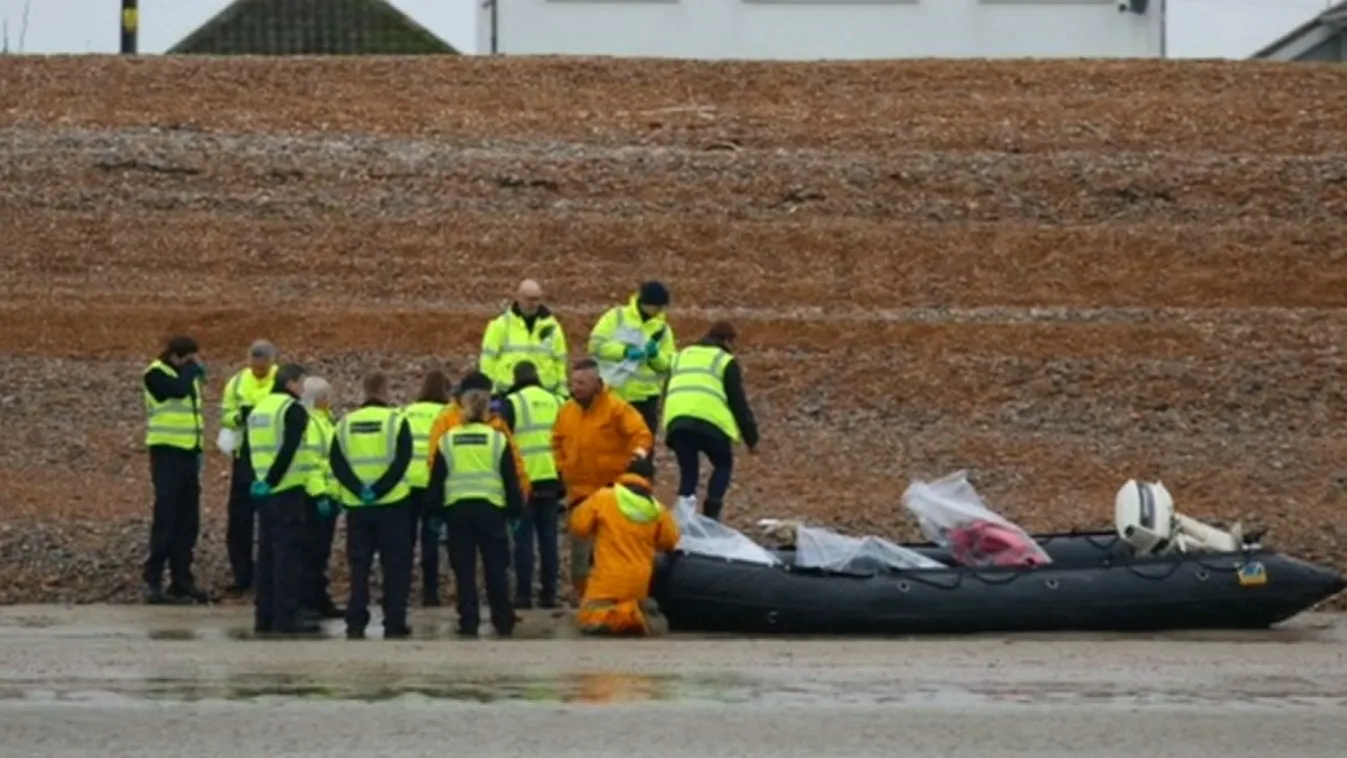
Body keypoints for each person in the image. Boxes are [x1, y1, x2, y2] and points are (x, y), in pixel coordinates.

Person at [428, 387, 527, 638]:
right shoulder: (497, 440)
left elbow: (437, 480)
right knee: (496, 568)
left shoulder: (447, 440)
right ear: (486, 411)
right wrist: (515, 512)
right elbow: (510, 479)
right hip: (491, 509)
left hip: (457, 510)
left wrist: (434, 513)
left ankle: (468, 620)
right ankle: (502, 619)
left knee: (464, 569)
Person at [552, 358, 653, 603]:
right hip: (579, 494)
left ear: (597, 383)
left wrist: (637, 459)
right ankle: (583, 596)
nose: (576, 388)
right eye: (574, 382)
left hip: (611, 492)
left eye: (582, 383)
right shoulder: (567, 411)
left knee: (611, 549)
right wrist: (562, 467)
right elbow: (556, 441)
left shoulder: (617, 408)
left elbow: (641, 434)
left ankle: (617, 595)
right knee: (580, 551)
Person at [330, 372, 416, 640]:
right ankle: (394, 620)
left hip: (358, 506)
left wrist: (359, 488)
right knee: (395, 566)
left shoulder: (345, 423)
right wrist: (380, 489)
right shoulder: (396, 421)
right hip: (393, 504)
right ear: (385, 390)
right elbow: (402, 460)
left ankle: (356, 620)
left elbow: (337, 463)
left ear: (364, 390)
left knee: (359, 566)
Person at [245, 363, 319, 636]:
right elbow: (288, 448)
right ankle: (286, 617)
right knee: (288, 556)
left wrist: (259, 481)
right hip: (287, 490)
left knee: (266, 554)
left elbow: (251, 449)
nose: (303, 390)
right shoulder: (292, 409)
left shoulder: (259, 409)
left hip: (264, 493)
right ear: (290, 383)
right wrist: (273, 480)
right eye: (301, 384)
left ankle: (264, 616)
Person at [569, 457, 679, 636]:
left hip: (608, 579)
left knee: (588, 617)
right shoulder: (657, 509)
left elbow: (578, 525)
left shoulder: (604, 497)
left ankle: (632, 615)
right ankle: (637, 610)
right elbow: (671, 541)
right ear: (649, 480)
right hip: (640, 582)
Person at [662, 321, 760, 522]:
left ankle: (684, 520)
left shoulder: (681, 356)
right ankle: (711, 514)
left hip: (678, 421)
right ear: (727, 342)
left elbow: (667, 391)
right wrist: (752, 439)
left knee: (688, 473)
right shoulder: (724, 360)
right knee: (723, 464)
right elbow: (738, 402)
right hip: (710, 423)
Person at [141, 335, 209, 604]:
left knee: (188, 519)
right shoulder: (155, 374)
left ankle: (181, 579)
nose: (194, 363)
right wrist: (191, 372)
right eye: (189, 359)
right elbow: (176, 391)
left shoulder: (185, 376)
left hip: (189, 452)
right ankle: (153, 579)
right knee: (166, 517)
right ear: (175, 356)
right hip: (166, 453)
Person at [499, 361, 563, 609]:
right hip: (551, 477)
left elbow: (503, 441)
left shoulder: (512, 403)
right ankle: (549, 594)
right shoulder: (556, 401)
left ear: (515, 378)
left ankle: (523, 595)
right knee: (549, 541)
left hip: (523, 480)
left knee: (523, 541)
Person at [219, 339, 279, 595]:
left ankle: (271, 575)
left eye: (262, 362)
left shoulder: (280, 380)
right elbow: (226, 415)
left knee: (272, 519)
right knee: (240, 520)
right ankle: (242, 575)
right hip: (245, 457)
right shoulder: (237, 383)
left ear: (271, 360)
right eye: (254, 361)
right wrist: (239, 417)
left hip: (274, 459)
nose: (258, 367)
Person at [425, 371, 531, 502]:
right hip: (489, 502)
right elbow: (514, 465)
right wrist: (521, 495)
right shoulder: (495, 424)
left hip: (457, 502)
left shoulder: (446, 421)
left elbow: (433, 463)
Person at [587, 281, 676, 436]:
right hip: (615, 395)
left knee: (643, 445)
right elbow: (596, 346)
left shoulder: (662, 328)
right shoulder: (617, 317)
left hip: (646, 399)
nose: (659, 311)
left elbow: (667, 365)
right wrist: (624, 351)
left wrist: (655, 356)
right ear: (645, 303)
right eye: (657, 307)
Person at [401, 367, 452, 606]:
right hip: (433, 483)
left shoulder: (407, 412)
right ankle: (430, 592)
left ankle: (401, 589)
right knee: (430, 539)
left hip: (408, 482)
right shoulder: (447, 414)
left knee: (405, 540)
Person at [479, 279, 570, 397]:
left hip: (545, 392)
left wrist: (562, 393)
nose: (534, 303)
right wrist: (492, 392)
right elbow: (487, 361)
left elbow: (560, 361)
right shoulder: (500, 325)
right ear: (518, 298)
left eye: (537, 299)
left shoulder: (552, 326)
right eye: (529, 299)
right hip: (508, 393)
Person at [299, 376, 342, 620]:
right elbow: (311, 462)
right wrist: (319, 494)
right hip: (317, 496)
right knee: (312, 552)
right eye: (326, 396)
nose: (329, 400)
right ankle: (309, 601)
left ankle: (319, 598)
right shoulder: (312, 423)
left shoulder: (326, 421)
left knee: (321, 552)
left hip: (329, 493)